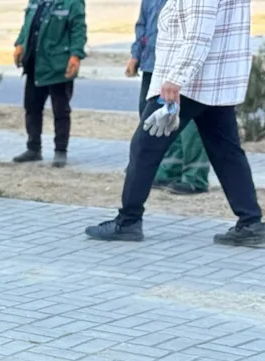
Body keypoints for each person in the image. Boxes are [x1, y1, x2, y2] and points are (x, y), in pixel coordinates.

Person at [86, 0, 263, 246]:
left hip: (189, 83)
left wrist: (175, 78)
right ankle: (251, 222)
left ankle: (128, 221)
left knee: (144, 145)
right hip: (215, 80)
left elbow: (198, 33)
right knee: (226, 151)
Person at [127, 0, 210, 195]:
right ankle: (168, 170)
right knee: (155, 122)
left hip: (177, 70)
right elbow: (142, 25)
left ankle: (195, 177)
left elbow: (196, 31)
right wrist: (135, 55)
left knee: (188, 125)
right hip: (150, 65)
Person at [12, 0, 86, 168]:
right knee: (31, 107)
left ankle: (60, 151)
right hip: (34, 64)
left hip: (58, 66)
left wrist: (76, 55)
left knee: (60, 110)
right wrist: (19, 44)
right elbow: (27, 26)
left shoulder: (73, 3)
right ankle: (33, 148)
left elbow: (78, 30)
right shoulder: (35, 2)